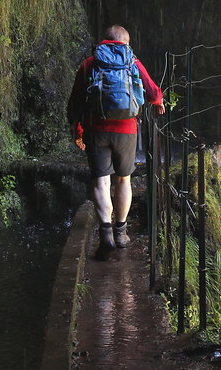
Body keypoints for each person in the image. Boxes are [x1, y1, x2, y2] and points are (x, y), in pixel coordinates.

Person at [67, 25, 164, 257]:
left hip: (96, 129)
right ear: (126, 43)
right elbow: (151, 91)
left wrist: (77, 131)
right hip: (127, 130)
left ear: (105, 41)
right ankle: (121, 232)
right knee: (124, 180)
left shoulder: (90, 63)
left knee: (101, 183)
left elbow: (75, 104)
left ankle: (106, 233)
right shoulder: (132, 62)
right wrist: (159, 102)